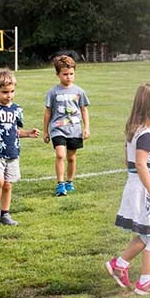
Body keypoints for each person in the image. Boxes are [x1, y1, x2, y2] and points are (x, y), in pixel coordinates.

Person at [106, 84, 150, 295]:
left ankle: (121, 264)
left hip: (140, 186)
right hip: (146, 189)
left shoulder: (136, 131)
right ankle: (145, 281)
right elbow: (140, 164)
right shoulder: (146, 135)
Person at [0, 69, 40, 228]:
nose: (9, 95)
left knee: (8, 184)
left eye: (12, 91)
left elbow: (15, 131)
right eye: (5, 92)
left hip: (12, 151)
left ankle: (5, 213)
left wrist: (28, 133)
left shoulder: (17, 109)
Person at [42, 54, 90, 196]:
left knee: (71, 157)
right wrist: (46, 131)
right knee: (60, 154)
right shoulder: (53, 92)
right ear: (57, 74)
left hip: (74, 129)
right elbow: (47, 113)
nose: (68, 77)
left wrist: (86, 127)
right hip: (58, 129)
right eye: (65, 74)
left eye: (71, 74)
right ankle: (60, 184)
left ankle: (69, 181)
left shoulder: (79, 91)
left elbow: (84, 110)